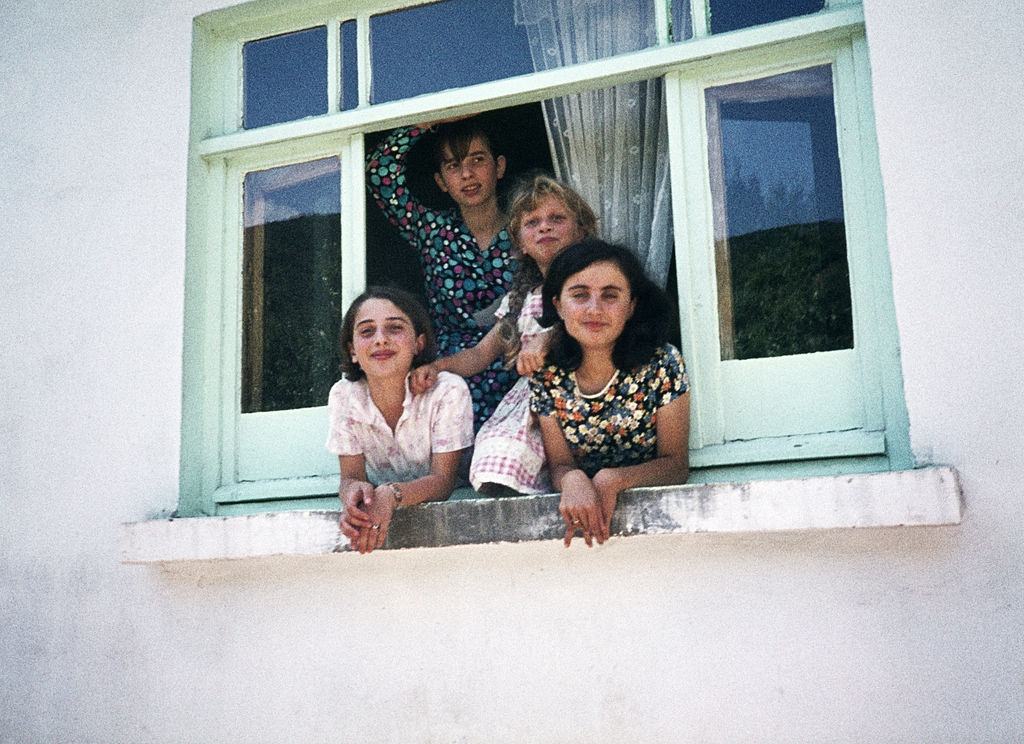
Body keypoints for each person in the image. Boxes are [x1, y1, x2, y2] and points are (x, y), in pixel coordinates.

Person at [412, 175, 598, 495]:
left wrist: (548, 340)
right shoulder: (521, 298)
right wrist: (439, 367)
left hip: (583, 392)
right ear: (520, 244)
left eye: (557, 218)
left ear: (581, 230)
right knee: (495, 451)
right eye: (532, 222)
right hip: (531, 402)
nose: (544, 227)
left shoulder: (595, 286)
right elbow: (480, 354)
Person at [530, 240, 691, 547]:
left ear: (631, 306)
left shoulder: (662, 363)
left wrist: (613, 479)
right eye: (579, 295)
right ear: (558, 305)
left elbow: (675, 464)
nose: (594, 309)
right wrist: (572, 479)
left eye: (610, 295)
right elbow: (560, 464)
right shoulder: (547, 373)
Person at [366, 119, 517, 429]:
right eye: (453, 165)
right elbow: (380, 172)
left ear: (499, 166)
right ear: (441, 181)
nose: (466, 174)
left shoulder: (527, 229)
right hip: (447, 372)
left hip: (515, 363)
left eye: (478, 159)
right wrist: (428, 122)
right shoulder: (432, 230)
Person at [326, 287, 474, 554]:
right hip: (381, 510)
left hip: (451, 519)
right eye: (367, 331)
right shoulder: (344, 396)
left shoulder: (447, 391)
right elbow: (350, 477)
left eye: (394, 328)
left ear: (418, 343)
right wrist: (353, 495)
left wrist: (391, 494)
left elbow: (443, 481)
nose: (380, 340)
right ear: (352, 351)